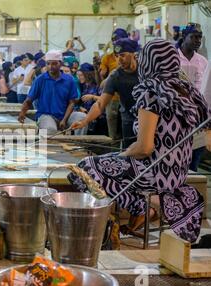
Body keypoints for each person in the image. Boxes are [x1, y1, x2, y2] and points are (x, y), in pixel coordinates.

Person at [68, 39, 210, 243]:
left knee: (83, 169)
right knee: (110, 161)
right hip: (177, 172)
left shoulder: (152, 92)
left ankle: (140, 209)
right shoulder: (186, 90)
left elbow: (144, 147)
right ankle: (146, 207)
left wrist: (123, 154)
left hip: (153, 172)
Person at [71, 38, 140, 148]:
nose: (119, 59)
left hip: (149, 119)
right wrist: (85, 121)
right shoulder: (115, 76)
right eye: (117, 56)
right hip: (128, 120)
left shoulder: (145, 71)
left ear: (133, 54)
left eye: (122, 55)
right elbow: (100, 104)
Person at [17, 50, 80, 136]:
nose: (50, 66)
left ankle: (79, 144)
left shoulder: (69, 80)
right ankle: (48, 149)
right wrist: (22, 112)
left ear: (60, 64)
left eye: (54, 63)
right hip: (46, 115)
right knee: (49, 129)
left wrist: (64, 120)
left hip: (65, 114)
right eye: (48, 63)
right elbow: (29, 100)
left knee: (82, 118)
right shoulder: (40, 79)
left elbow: (72, 102)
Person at [178, 23, 209, 171]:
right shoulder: (173, 58)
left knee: (195, 156)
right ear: (184, 37)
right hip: (178, 115)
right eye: (194, 37)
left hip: (198, 116)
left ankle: (193, 187)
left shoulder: (203, 62)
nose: (197, 40)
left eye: (200, 37)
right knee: (179, 155)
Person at [98, 28, 129, 141]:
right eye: (114, 40)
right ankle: (113, 147)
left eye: (119, 40)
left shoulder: (132, 56)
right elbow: (102, 79)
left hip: (128, 96)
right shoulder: (108, 58)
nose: (116, 42)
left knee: (128, 124)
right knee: (111, 121)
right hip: (113, 96)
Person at [76, 63, 107, 136]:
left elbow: (105, 100)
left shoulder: (97, 86)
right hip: (87, 118)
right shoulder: (82, 86)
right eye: (78, 75)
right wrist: (80, 108)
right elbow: (79, 102)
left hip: (99, 119)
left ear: (88, 75)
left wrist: (92, 97)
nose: (79, 77)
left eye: (81, 75)